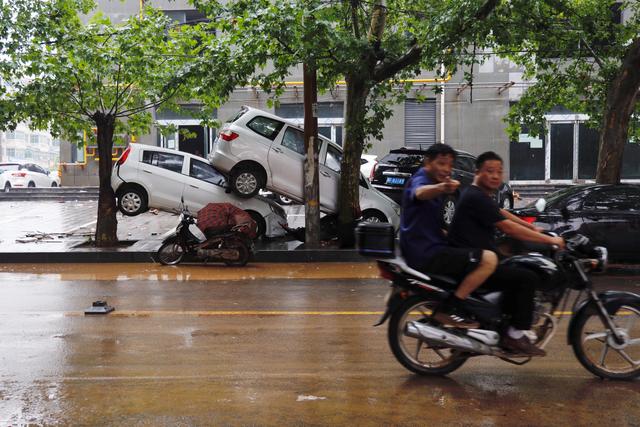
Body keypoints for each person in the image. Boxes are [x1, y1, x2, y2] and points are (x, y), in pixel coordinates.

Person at [448, 151, 565, 356]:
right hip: (473, 261)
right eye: (490, 171)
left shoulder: (479, 195)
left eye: (499, 172)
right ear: (477, 172)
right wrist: (550, 240)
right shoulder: (476, 196)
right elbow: (507, 228)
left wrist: (533, 229)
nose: (495, 176)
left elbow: (502, 213)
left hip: (479, 255)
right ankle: (514, 335)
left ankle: (503, 322)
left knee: (517, 267)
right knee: (526, 278)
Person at [399, 144, 498, 329]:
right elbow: (420, 193)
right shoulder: (421, 179)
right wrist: (442, 187)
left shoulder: (432, 182)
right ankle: (451, 309)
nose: (446, 169)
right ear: (428, 162)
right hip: (425, 253)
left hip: (427, 247)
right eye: (441, 163)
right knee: (489, 260)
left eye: (450, 165)